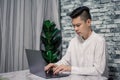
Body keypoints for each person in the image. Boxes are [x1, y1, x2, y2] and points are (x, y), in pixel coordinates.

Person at [44, 6, 108, 79]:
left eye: (78, 25)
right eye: (73, 26)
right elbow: (66, 61)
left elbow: (98, 71)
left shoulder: (99, 41)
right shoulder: (73, 41)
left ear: (88, 22)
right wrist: (55, 65)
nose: (75, 29)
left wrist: (70, 69)